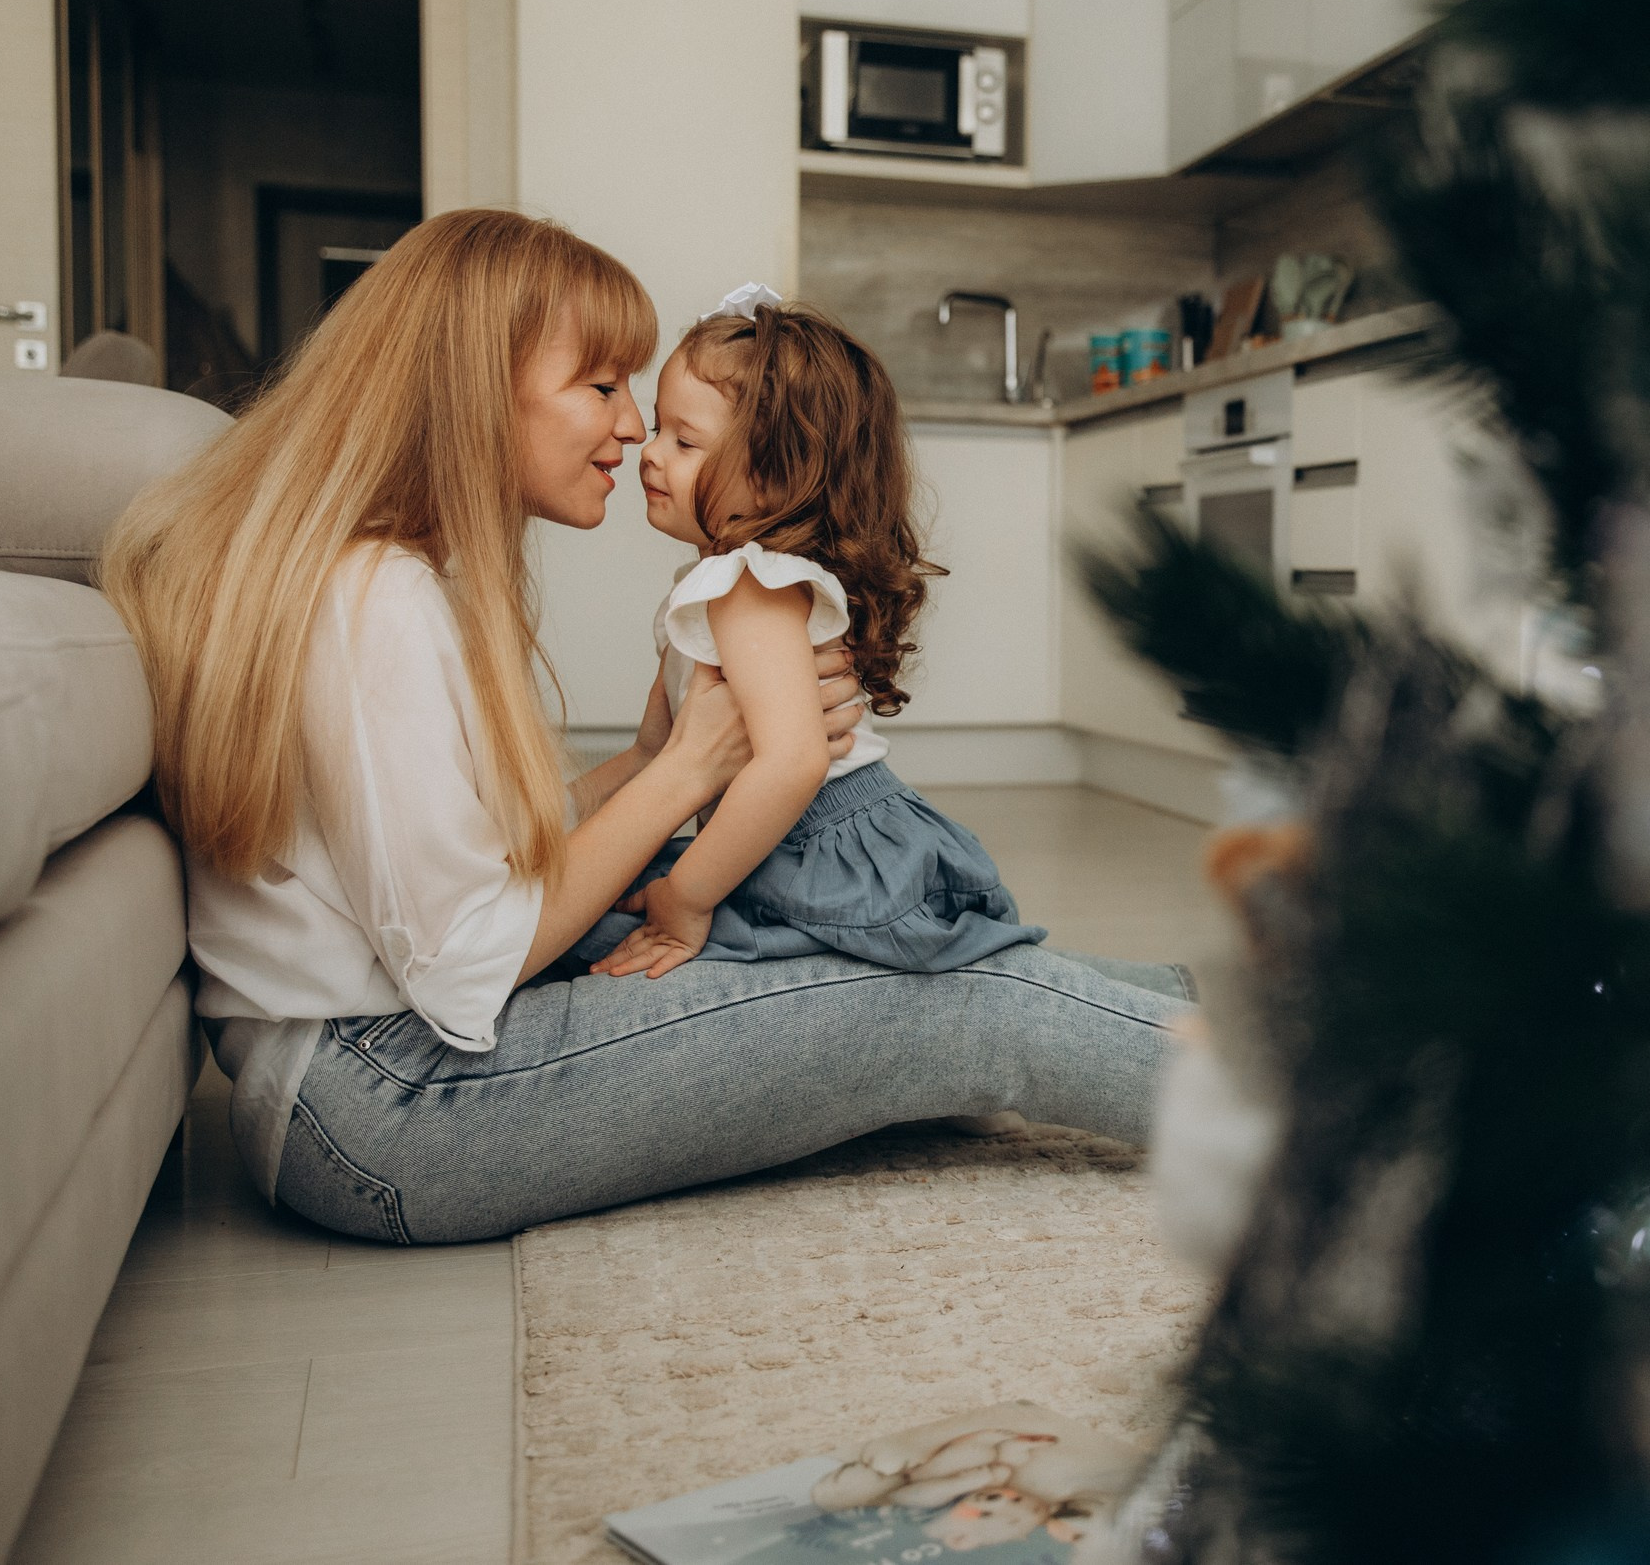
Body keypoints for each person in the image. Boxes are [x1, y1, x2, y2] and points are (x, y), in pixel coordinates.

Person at [101, 209, 1190, 1245]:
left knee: (899, 950)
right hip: (392, 1100)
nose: (631, 426)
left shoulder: (379, 578)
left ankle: (1214, 1019)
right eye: (601, 385)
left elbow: (467, 859)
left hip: (369, 1073)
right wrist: (688, 771)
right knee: (952, 1004)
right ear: (477, 389)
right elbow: (464, 960)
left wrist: (649, 761)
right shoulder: (373, 602)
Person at [576, 286, 1045, 980]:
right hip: (791, 836)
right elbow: (657, 754)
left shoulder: (746, 582)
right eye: (656, 429)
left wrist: (687, 898)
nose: (650, 453)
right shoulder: (714, 581)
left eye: (684, 441)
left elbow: (793, 764)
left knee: (612, 935)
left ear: (775, 479)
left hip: (827, 850)